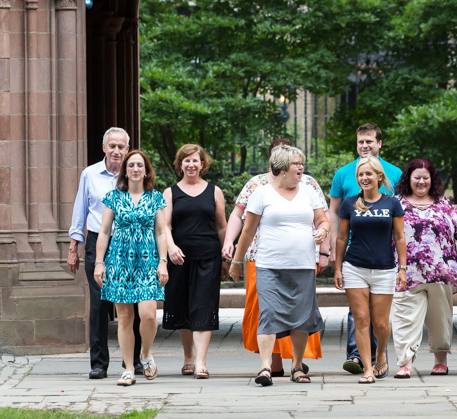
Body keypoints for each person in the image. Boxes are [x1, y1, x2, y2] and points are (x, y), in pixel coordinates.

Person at [222, 137, 328, 376]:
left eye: (302, 163)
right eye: (296, 163)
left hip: (302, 264)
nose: (301, 167)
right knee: (268, 314)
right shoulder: (260, 191)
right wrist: (236, 261)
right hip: (268, 264)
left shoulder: (309, 189)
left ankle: (298, 366)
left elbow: (323, 219)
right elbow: (247, 229)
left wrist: (322, 233)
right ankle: (266, 367)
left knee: (302, 317)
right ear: (281, 168)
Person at [391, 158, 457, 378]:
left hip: (441, 273)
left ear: (432, 180)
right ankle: (405, 363)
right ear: (408, 179)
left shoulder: (444, 204)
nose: (421, 182)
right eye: (417, 178)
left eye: (425, 178)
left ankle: (440, 360)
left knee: (441, 319)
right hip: (406, 272)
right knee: (405, 318)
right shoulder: (396, 203)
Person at [67, 126, 142, 379]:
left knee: (132, 300)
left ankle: (133, 361)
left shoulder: (134, 173)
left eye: (122, 147)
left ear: (128, 149)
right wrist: (73, 247)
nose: (117, 151)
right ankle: (99, 363)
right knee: (99, 304)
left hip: (131, 242)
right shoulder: (89, 175)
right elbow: (81, 210)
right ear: (104, 148)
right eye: (113, 146)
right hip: (98, 241)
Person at [328, 123, 403, 373]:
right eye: (361, 142)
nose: (365, 146)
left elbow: (401, 221)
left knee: (380, 322)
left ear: (379, 143)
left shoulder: (395, 174)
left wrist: (403, 264)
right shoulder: (343, 174)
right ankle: (359, 357)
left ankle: (379, 352)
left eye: (369, 141)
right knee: (358, 315)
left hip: (383, 256)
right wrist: (332, 253)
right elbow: (334, 213)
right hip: (353, 256)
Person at [94, 150, 168, 386]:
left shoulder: (155, 198)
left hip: (147, 262)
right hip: (119, 262)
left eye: (140, 165)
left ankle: (145, 352)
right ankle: (128, 368)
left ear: (146, 171)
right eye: (131, 165)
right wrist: (99, 262)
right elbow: (104, 232)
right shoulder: (113, 198)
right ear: (125, 171)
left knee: (148, 315)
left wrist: (163, 261)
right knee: (125, 317)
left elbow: (160, 232)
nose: (135, 169)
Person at [162, 143, 226, 379]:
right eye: (186, 160)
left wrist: (226, 257)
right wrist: (171, 247)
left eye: (195, 160)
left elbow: (222, 226)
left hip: (208, 257)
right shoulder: (169, 193)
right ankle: (188, 356)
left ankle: (200, 362)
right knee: (183, 307)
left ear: (202, 164)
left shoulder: (214, 191)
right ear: (180, 165)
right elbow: (165, 226)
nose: (191, 164)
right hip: (179, 259)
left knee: (203, 307)